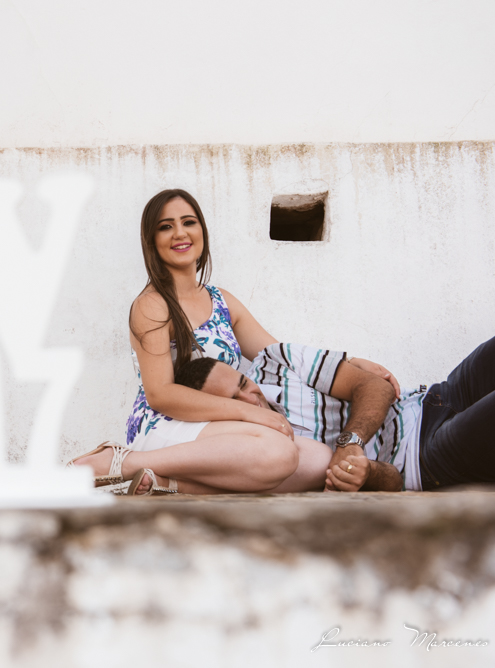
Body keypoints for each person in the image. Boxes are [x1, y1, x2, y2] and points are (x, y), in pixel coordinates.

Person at [71, 189, 394, 494]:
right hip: (166, 424)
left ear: (202, 231)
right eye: (165, 227)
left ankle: (165, 482)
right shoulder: (153, 305)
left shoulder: (221, 301)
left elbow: (278, 353)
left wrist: (351, 362)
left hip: (218, 428)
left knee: (320, 460)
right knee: (279, 453)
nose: (180, 233)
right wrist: (250, 414)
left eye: (188, 222)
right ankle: (125, 461)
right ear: (151, 241)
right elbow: (160, 394)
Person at [176, 330, 495, 491]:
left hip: (439, 395)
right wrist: (364, 469)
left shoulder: (275, 361)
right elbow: (392, 480)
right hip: (424, 455)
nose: (250, 398)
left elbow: (375, 386)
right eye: (234, 402)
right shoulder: (263, 452)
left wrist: (350, 441)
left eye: (243, 383)